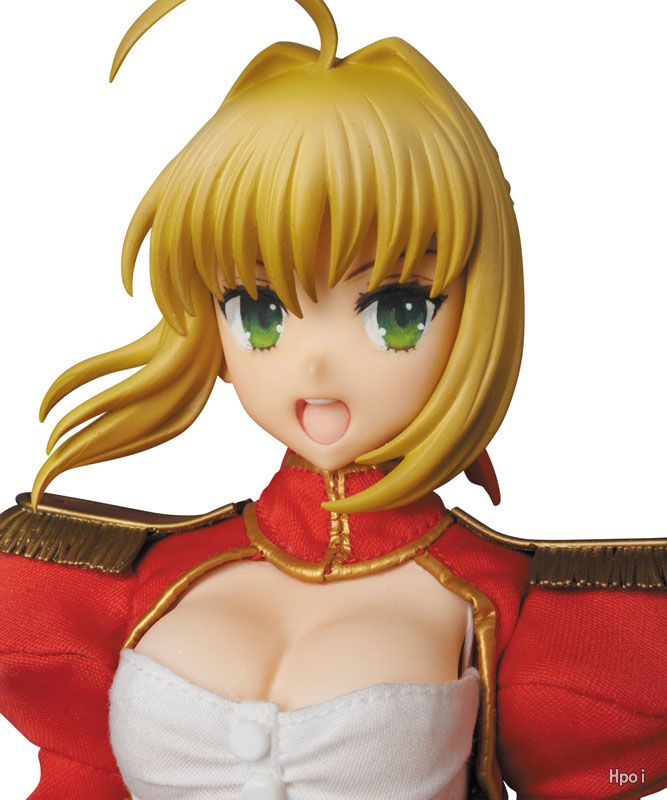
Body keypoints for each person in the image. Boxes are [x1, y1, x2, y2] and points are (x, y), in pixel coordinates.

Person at [0, 1, 665, 799]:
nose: (314, 365)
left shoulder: (515, 608)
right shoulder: (127, 585)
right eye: (259, 309)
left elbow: (607, 773)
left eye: (396, 312)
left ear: (480, 309)